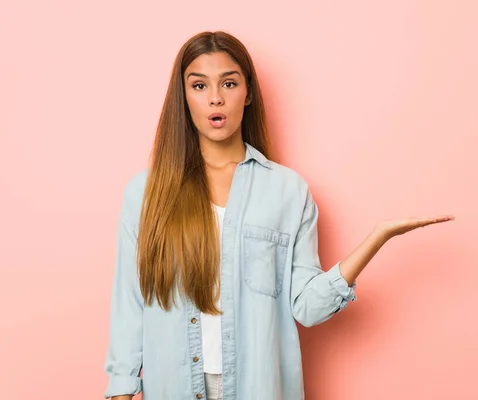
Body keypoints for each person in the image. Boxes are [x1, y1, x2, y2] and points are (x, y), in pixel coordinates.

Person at [103, 30, 454, 400]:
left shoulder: (288, 192)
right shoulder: (146, 193)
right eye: (199, 85)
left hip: (259, 386)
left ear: (248, 93)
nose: (216, 98)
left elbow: (308, 307)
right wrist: (122, 388)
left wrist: (377, 238)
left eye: (229, 82)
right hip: (172, 386)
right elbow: (130, 301)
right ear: (183, 96)